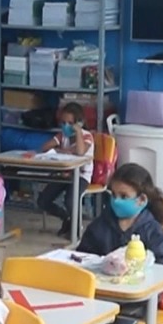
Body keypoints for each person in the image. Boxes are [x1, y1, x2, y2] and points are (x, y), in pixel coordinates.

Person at [76, 163, 163, 324]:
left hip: (136, 299)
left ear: (141, 200)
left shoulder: (152, 229)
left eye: (124, 196)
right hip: (101, 292)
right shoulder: (102, 224)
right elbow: (82, 254)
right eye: (113, 195)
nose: (116, 201)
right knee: (91, 322)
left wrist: (139, 266)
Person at [36, 102, 95, 238]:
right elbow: (45, 148)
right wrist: (63, 149)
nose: (66, 126)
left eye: (70, 123)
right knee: (43, 200)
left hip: (81, 176)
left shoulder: (86, 136)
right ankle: (67, 218)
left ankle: (76, 229)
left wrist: (78, 132)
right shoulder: (62, 135)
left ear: (78, 123)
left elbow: (80, 152)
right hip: (65, 174)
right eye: (63, 122)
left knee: (70, 200)